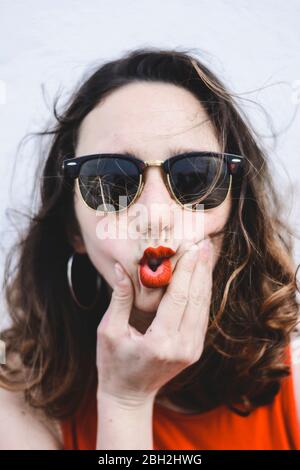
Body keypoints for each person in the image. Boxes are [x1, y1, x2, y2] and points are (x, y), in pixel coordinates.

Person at [0, 47, 299, 450]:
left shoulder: (293, 370)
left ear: (235, 210)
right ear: (73, 228)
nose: (156, 215)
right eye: (110, 181)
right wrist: (125, 401)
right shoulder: (16, 389)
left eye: (195, 176)